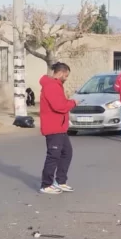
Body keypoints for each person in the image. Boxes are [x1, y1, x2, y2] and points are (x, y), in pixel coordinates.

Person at [39, 62, 78, 195]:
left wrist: (68, 102)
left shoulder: (56, 85)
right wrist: (73, 103)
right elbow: (59, 106)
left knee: (67, 152)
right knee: (53, 155)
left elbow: (61, 103)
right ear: (60, 73)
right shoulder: (51, 86)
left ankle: (60, 181)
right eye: (66, 76)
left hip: (60, 127)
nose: (66, 78)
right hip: (53, 127)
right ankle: (46, 184)